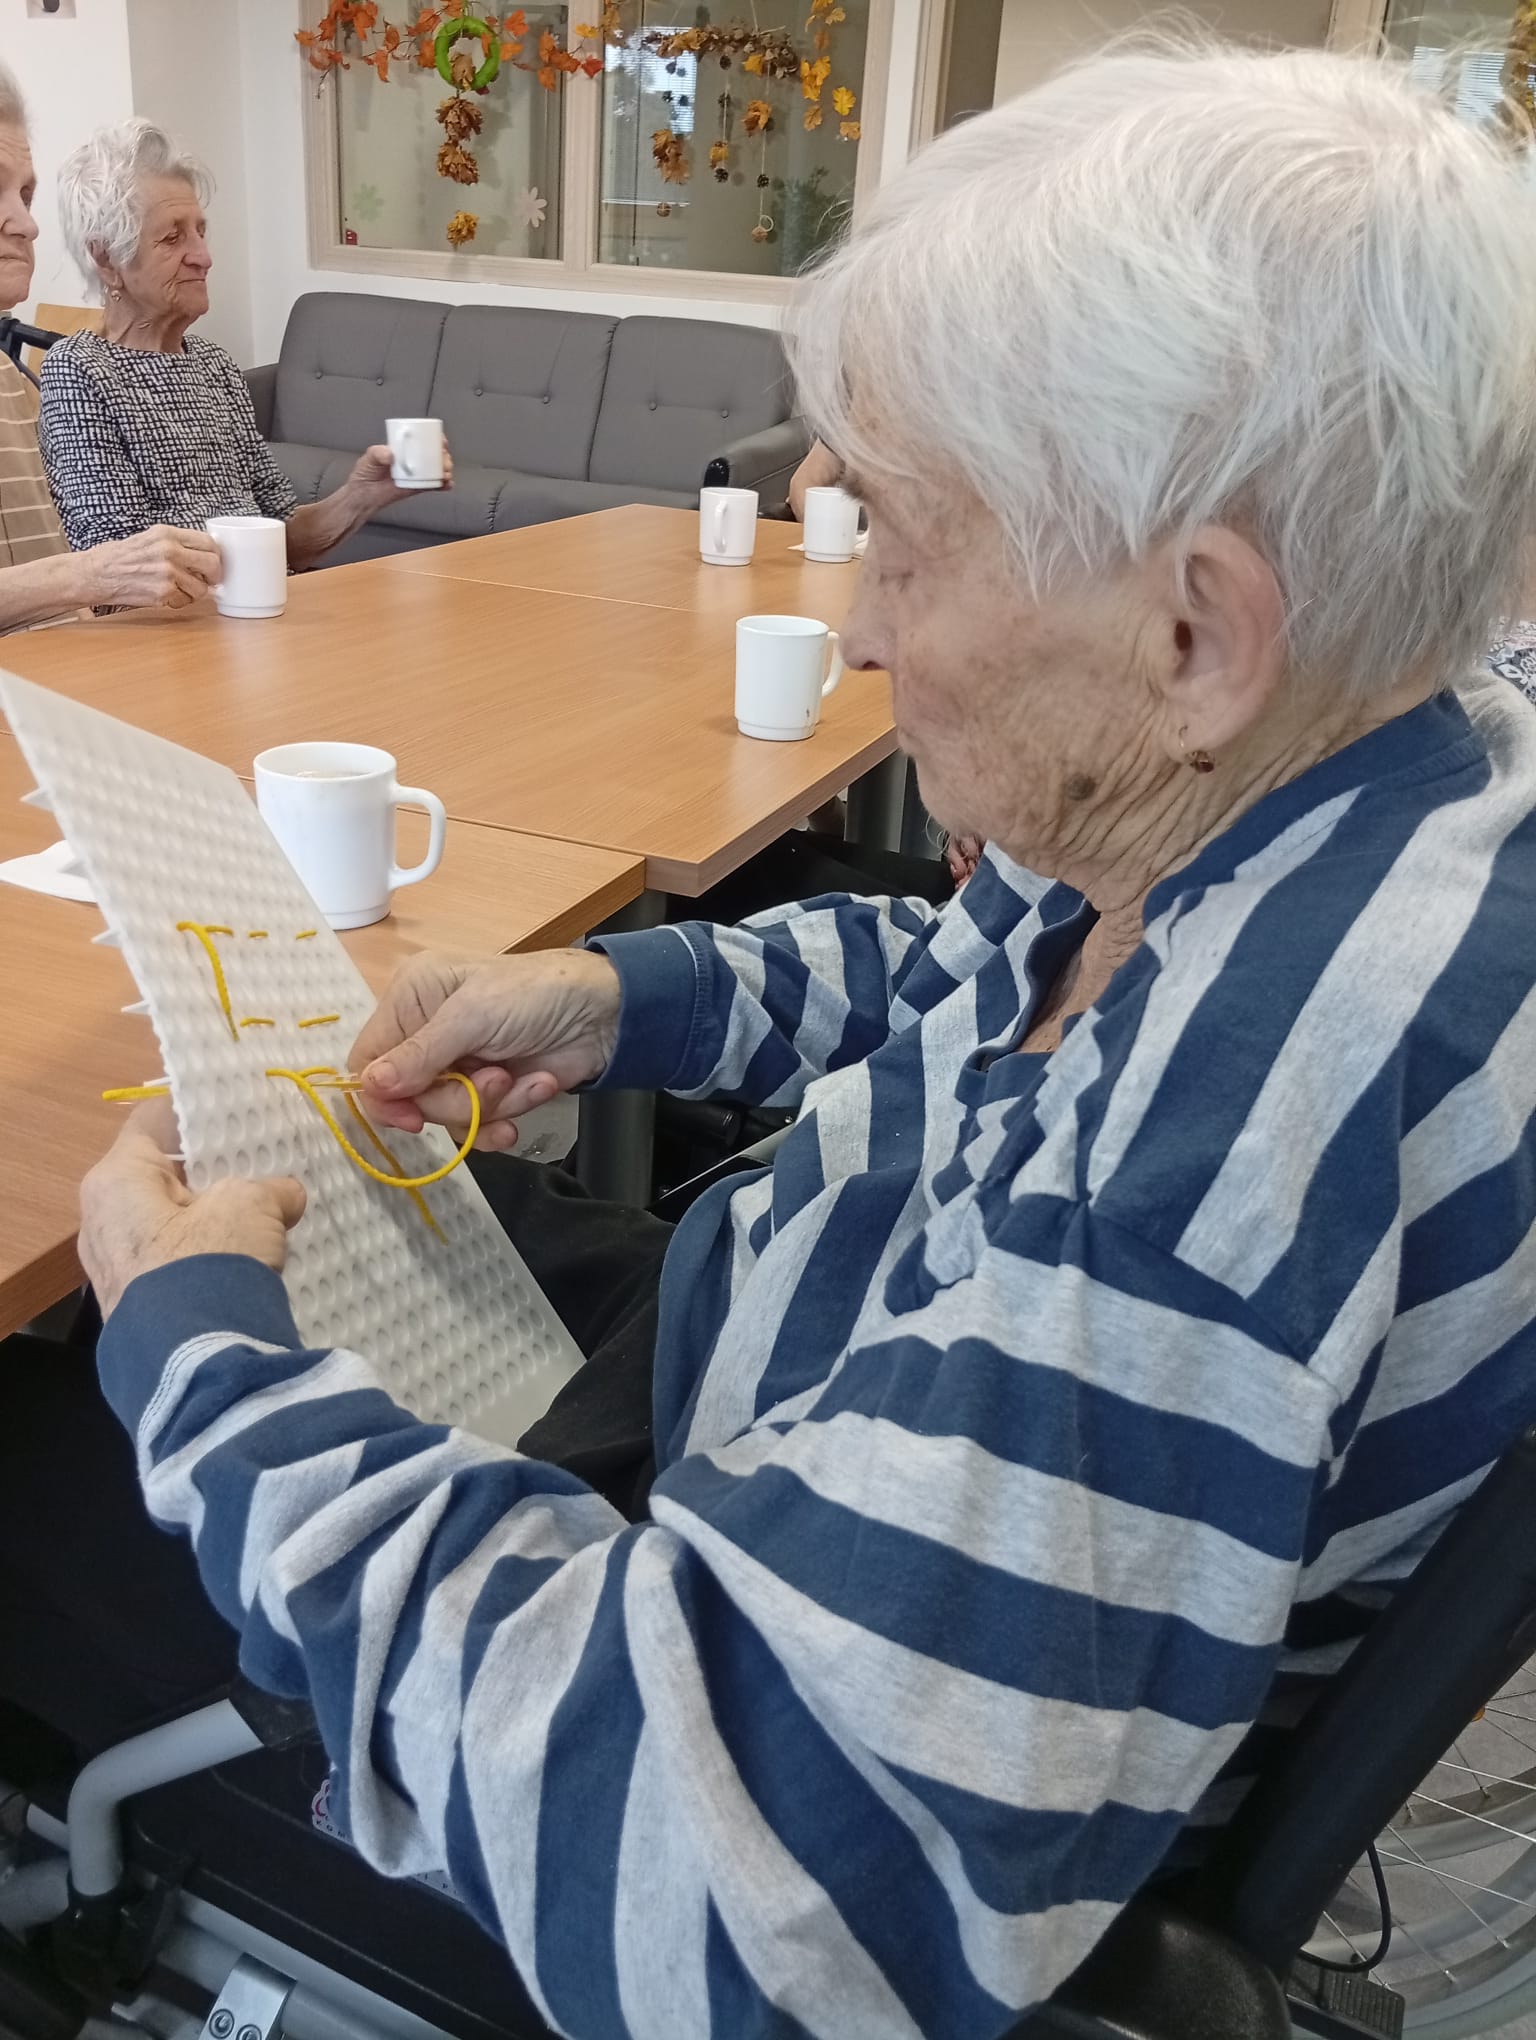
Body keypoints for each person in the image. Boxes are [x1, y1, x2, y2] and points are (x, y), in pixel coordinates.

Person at [9, 38, 1536, 2034]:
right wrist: (619, 997)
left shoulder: (1232, 1138)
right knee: (317, 1214)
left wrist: (204, 1362)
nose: (869, 627)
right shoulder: (1347, 764)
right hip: (781, 1376)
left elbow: (741, 1902)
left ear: (1196, 632)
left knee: (36, 1444)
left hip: (718, 1673)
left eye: (902, 539)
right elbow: (966, 968)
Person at [36, 120, 441, 570]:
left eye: (200, 232)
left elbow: (285, 536)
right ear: (107, 259)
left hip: (261, 603)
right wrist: (253, 567)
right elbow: (122, 568)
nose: (203, 257)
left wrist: (362, 495)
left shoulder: (214, 366)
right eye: (172, 237)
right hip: (181, 615)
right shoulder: (80, 370)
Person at [0, 66, 220, 632]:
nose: (27, 224)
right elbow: (100, 573)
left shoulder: (9, 383)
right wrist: (87, 576)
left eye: (26, 194)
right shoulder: (75, 371)